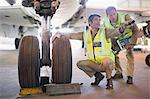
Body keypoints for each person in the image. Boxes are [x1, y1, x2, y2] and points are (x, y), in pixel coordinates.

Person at [53, 14, 130, 89]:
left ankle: (109, 81)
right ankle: (98, 76)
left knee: (106, 62)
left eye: (99, 20)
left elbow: (116, 32)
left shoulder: (105, 32)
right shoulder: (86, 34)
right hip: (95, 63)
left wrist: (122, 28)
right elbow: (72, 35)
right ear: (90, 23)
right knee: (80, 64)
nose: (98, 22)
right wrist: (60, 33)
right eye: (96, 19)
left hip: (107, 63)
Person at [103, 6, 139, 84]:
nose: (113, 17)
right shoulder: (105, 22)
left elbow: (136, 30)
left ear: (116, 12)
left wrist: (132, 43)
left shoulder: (125, 17)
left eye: (114, 14)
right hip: (116, 41)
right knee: (113, 54)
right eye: (110, 15)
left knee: (129, 55)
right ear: (107, 15)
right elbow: (106, 34)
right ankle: (118, 72)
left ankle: (130, 76)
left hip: (128, 39)